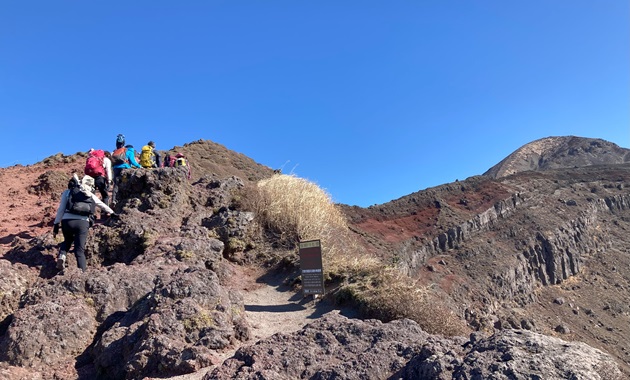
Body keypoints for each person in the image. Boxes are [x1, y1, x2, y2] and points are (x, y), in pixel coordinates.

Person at [52, 174, 115, 272]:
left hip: (67, 221)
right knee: (79, 250)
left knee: (68, 240)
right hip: (82, 223)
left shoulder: (67, 193)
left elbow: (61, 209)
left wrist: (56, 224)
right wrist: (112, 213)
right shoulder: (89, 193)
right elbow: (101, 204)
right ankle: (82, 272)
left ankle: (62, 255)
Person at [111, 136, 142, 204]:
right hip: (124, 168)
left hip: (115, 169)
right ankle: (124, 199)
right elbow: (133, 161)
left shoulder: (115, 151)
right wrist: (139, 166)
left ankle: (114, 199)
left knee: (116, 184)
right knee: (126, 183)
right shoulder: (128, 151)